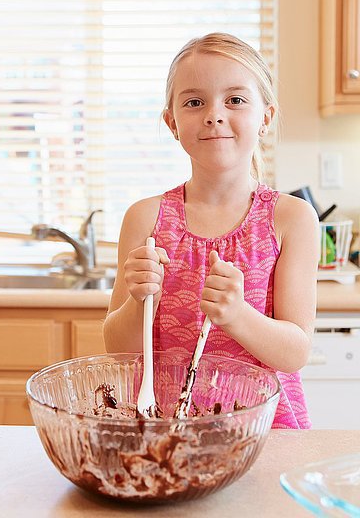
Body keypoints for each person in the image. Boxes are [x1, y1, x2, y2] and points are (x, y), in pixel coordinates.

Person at [103, 32, 319, 429]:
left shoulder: (291, 219)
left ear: (265, 117)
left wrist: (237, 315)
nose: (214, 114)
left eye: (235, 99)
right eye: (194, 102)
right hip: (167, 430)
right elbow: (119, 352)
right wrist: (138, 301)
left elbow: (295, 352)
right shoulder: (145, 219)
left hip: (265, 433)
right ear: (172, 122)